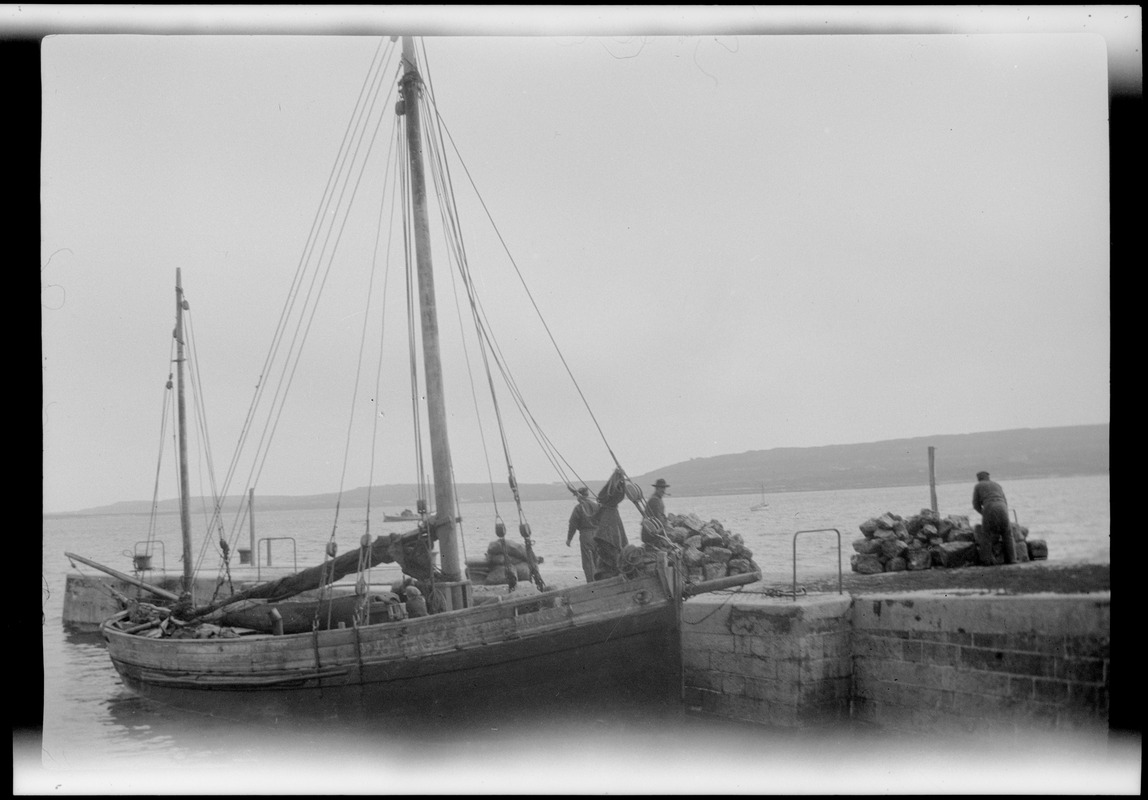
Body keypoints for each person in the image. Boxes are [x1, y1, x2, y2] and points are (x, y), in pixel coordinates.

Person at [592, 468, 630, 580]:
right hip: (607, 571)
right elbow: (609, 542)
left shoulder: (610, 510)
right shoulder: (610, 512)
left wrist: (619, 477)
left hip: (608, 567)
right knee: (612, 552)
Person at [972, 470, 1014, 565]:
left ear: (979, 479)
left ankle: (986, 561)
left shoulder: (978, 486)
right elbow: (1005, 501)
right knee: (1007, 534)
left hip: (989, 507)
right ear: (988, 477)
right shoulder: (997, 485)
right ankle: (1012, 559)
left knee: (986, 535)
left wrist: (984, 513)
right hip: (1003, 507)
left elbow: (975, 504)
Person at [567, 487, 600, 582]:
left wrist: (569, 539)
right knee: (598, 559)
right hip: (598, 534)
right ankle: (601, 580)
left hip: (586, 535)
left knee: (588, 562)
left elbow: (572, 525)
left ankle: (591, 583)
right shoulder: (596, 506)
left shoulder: (578, 508)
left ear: (579, 495)